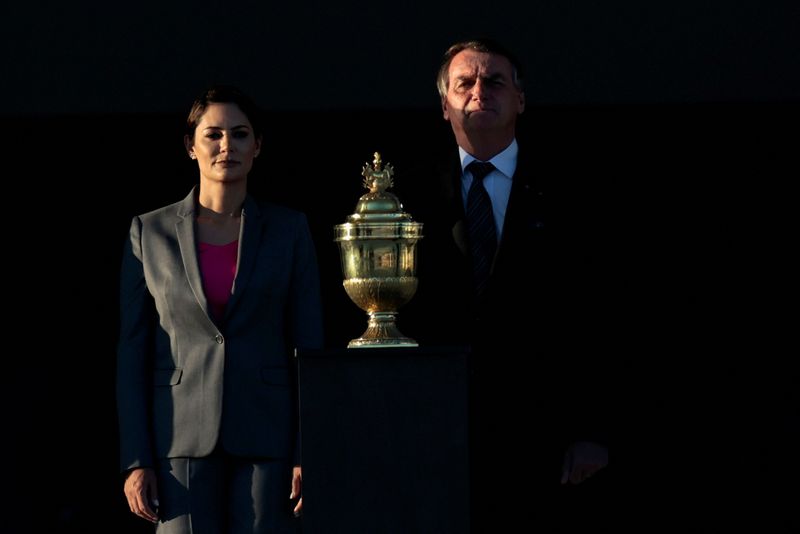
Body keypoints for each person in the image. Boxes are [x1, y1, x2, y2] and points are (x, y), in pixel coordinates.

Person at [399, 38, 610, 531]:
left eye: (494, 81)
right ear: (444, 104)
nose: (479, 92)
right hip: (436, 428)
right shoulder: (409, 196)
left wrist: (593, 429)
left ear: (520, 98)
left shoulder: (570, 189)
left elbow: (598, 312)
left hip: (542, 430)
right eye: (464, 83)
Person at [116, 84, 323, 533]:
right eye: (213, 134)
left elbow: (309, 345)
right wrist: (136, 459)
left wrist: (308, 452)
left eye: (240, 134)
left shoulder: (289, 230)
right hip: (178, 440)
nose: (227, 145)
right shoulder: (148, 232)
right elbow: (132, 352)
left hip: (268, 436)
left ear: (258, 146)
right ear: (191, 146)